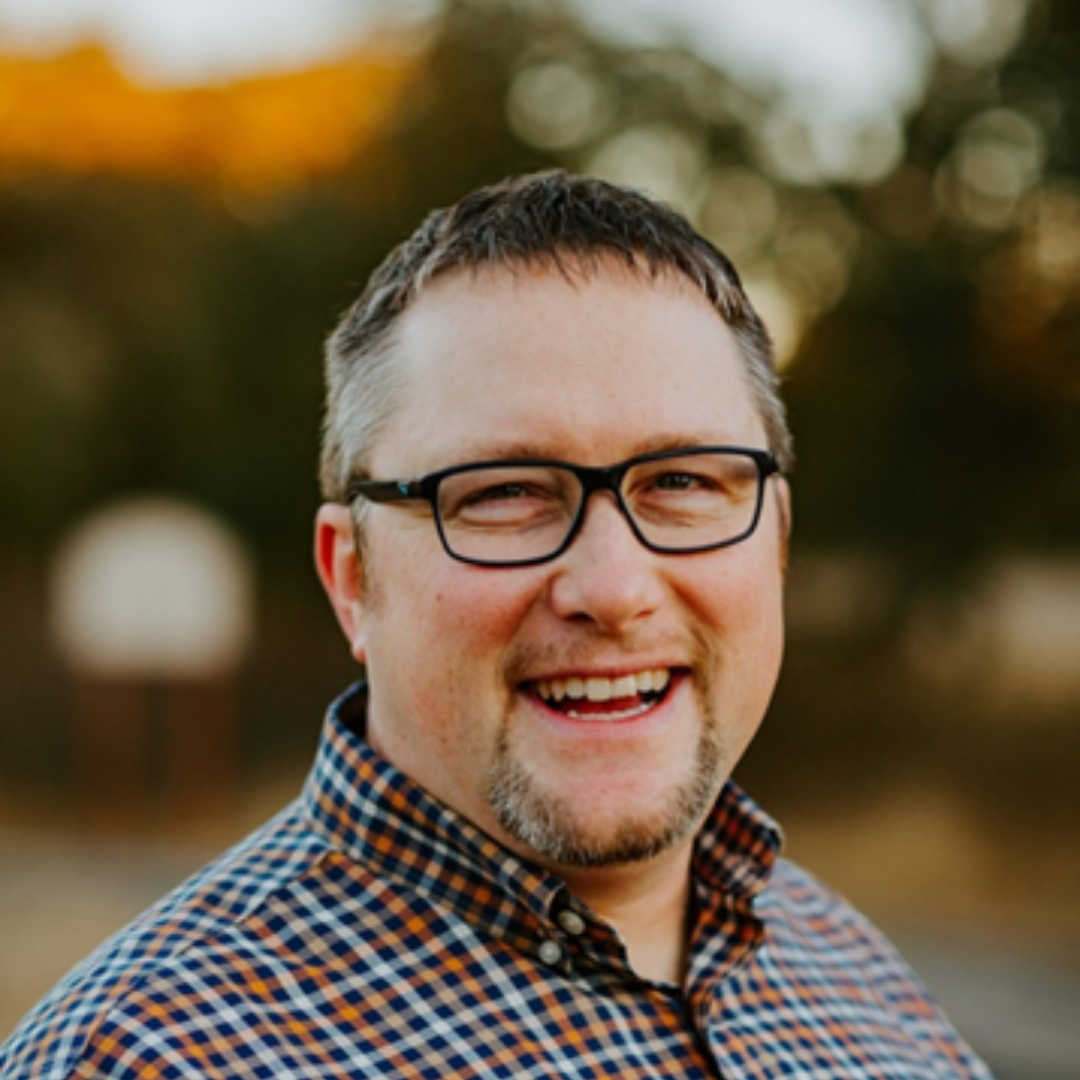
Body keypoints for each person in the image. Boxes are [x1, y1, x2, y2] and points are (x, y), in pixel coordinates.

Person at [0, 171, 993, 1079]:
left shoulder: (869, 991)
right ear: (352, 579)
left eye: (683, 481)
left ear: (775, 538)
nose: (613, 588)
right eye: (506, 492)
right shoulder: (147, 1057)